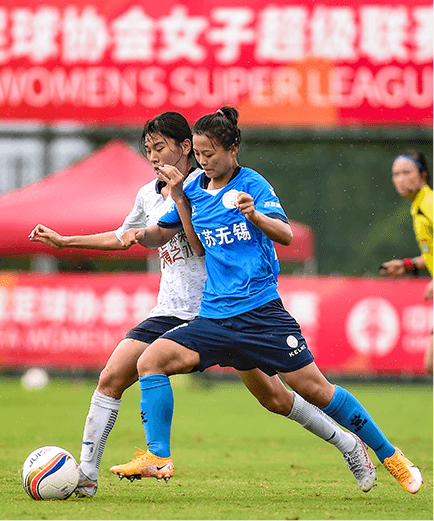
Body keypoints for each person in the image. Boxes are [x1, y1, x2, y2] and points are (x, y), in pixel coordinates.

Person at [29, 112, 375, 498]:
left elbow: (202, 244)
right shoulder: (148, 194)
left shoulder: (203, 187)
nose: (153, 156)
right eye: (147, 149)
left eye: (160, 147)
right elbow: (125, 236)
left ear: (186, 147)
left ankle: (349, 444)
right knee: (111, 377)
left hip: (216, 313)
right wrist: (66, 242)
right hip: (169, 312)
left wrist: (180, 202)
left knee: (275, 398)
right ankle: (88, 477)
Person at [111, 107, 422, 494]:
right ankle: (159, 456)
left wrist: (255, 215)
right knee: (150, 361)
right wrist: (168, 207)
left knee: (315, 390)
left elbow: (285, 235)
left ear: (233, 148)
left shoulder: (252, 184)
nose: (204, 162)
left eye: (210, 154)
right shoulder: (192, 190)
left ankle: (390, 455)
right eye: (200, 155)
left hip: (260, 315)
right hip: (214, 318)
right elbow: (193, 245)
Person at [380, 150, 433, 374]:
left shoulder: (429, 203)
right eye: (396, 174)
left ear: (423, 175)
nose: (400, 179)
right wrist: (408, 265)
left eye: (406, 172)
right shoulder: (417, 205)